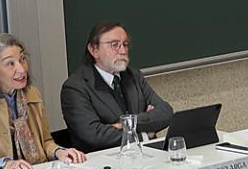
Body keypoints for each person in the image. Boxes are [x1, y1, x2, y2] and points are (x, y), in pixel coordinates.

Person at [0, 33, 87, 169]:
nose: (22, 69)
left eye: (22, 59)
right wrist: (4, 164)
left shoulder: (32, 94)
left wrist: (60, 152)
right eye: (10, 63)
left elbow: (45, 142)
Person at [58, 22, 175, 152]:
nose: (123, 51)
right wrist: (145, 134)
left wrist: (126, 124)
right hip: (101, 163)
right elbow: (94, 135)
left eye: (125, 44)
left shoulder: (133, 75)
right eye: (115, 45)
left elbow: (165, 112)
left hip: (144, 155)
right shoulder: (75, 88)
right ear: (93, 49)